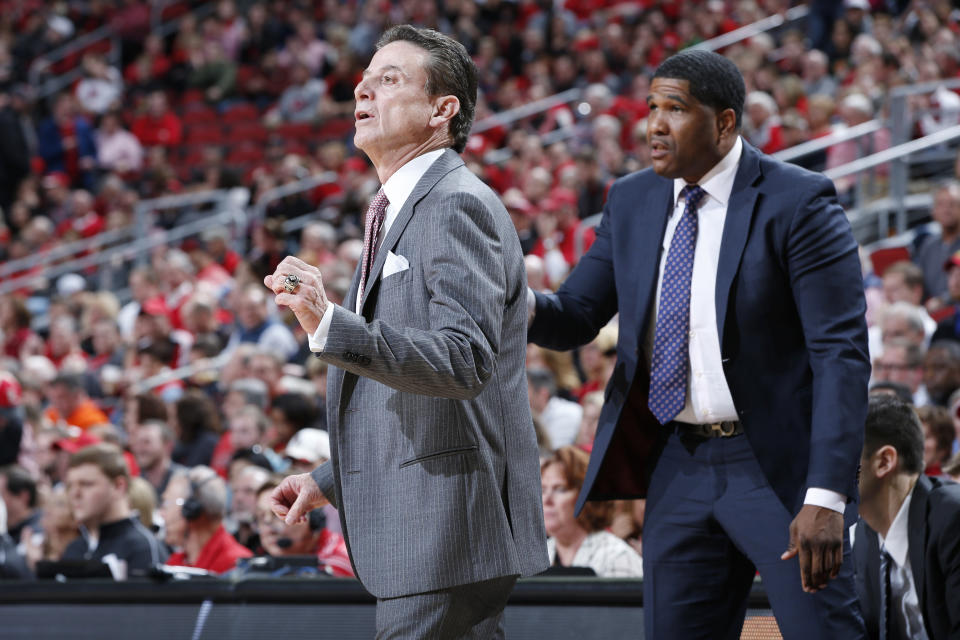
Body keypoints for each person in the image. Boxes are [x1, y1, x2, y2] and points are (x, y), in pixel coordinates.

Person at [528, 49, 869, 638]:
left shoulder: (798, 201)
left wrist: (828, 493)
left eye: (675, 109)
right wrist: (509, 298)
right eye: (652, 107)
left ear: (725, 122)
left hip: (776, 468)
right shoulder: (632, 200)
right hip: (675, 463)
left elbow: (840, 353)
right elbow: (576, 315)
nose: (654, 124)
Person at [264, 25, 547, 637]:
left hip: (444, 528)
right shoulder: (404, 206)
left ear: (442, 111)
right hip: (439, 526)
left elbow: (463, 361)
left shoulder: (452, 203)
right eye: (365, 78)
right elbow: (421, 394)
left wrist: (331, 323)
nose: (363, 88)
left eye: (389, 79)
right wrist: (328, 480)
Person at [853, 395, 960, 640]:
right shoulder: (865, 531)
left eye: (837, 454)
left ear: (884, 461)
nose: (822, 470)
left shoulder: (953, 519)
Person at [61, 443, 167, 575]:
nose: (75, 494)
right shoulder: (74, 549)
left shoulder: (143, 547)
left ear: (118, 486)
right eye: (70, 486)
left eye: (86, 484)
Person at [541, 446, 643, 578]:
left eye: (560, 489)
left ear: (586, 496)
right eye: (542, 490)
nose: (546, 500)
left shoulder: (617, 558)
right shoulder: (536, 559)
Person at [161, 466, 252, 575]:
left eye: (167, 504)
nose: (162, 514)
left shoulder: (237, 566)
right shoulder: (175, 563)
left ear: (191, 509)